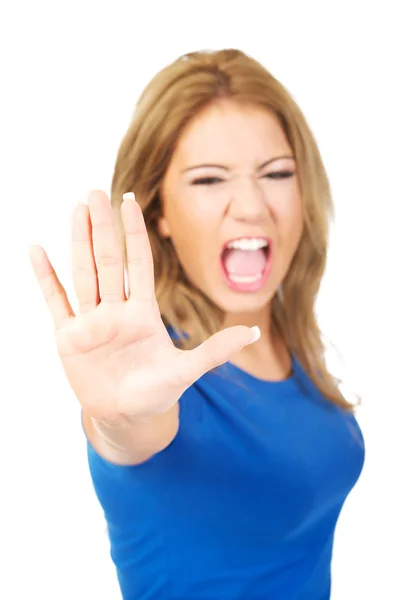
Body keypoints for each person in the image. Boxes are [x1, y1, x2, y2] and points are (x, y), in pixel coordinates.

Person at [29, 49, 365, 600]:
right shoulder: (158, 374)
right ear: (159, 211)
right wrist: (117, 419)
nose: (252, 206)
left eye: (277, 173)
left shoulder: (288, 341)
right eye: (210, 180)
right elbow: (131, 428)